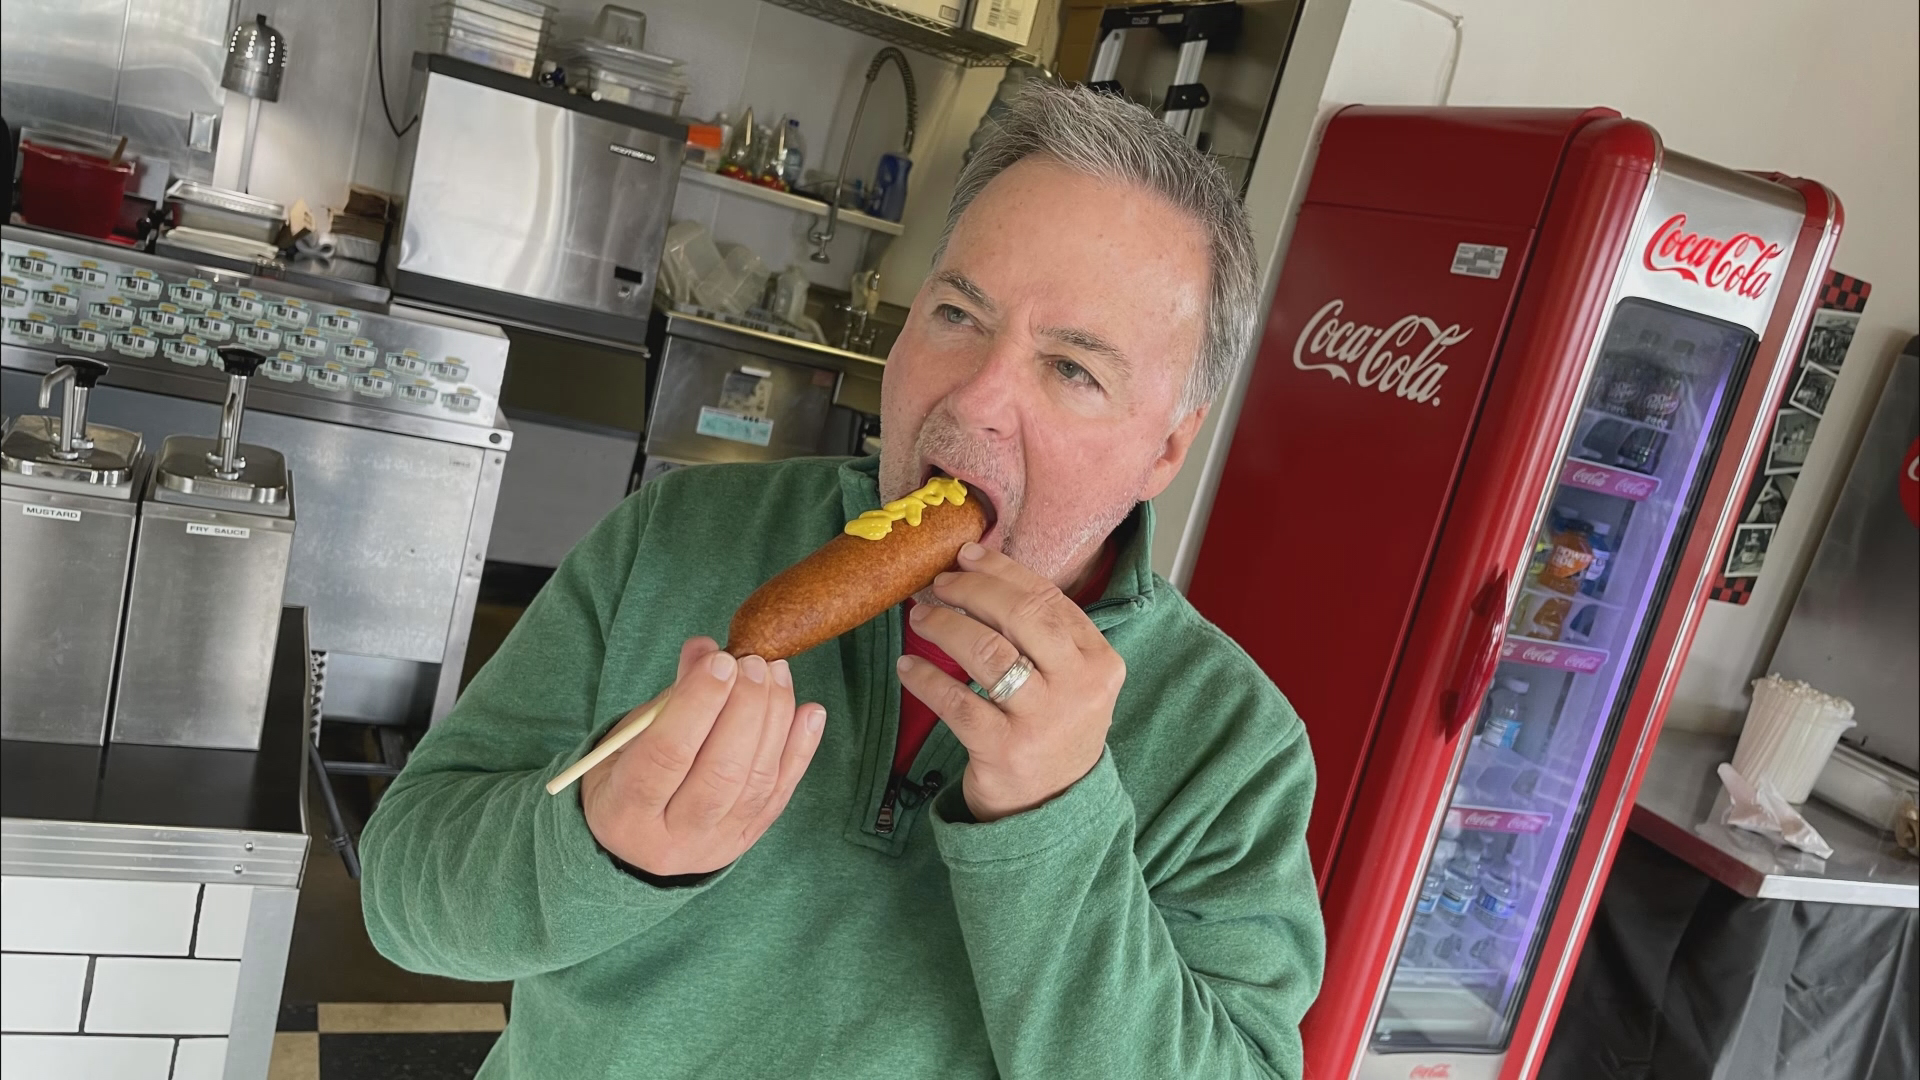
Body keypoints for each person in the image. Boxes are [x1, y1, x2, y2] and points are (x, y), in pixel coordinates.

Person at [361, 82, 1324, 1079]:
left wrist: (1056, 825)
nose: (977, 398)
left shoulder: (1232, 744)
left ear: (1167, 447)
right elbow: (401, 900)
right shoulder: (681, 535)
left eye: (1072, 369)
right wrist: (599, 847)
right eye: (957, 312)